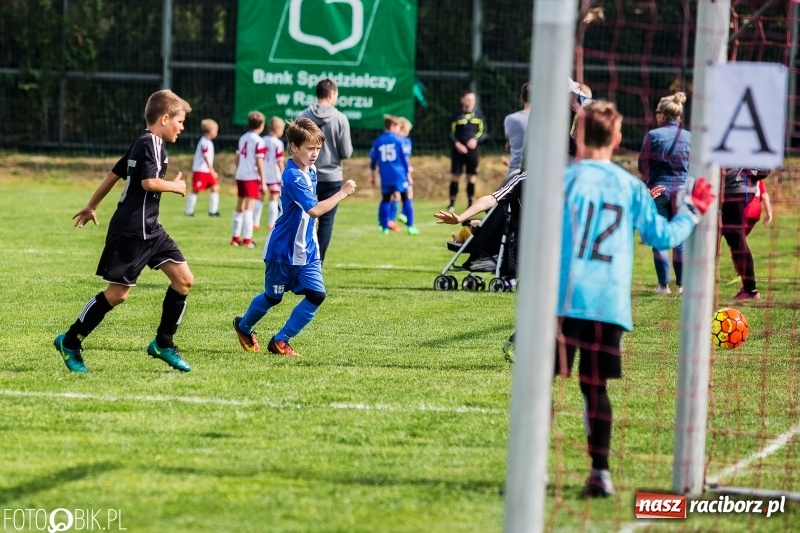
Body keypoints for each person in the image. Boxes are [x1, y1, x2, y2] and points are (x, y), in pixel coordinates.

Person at [557, 100, 712, 497]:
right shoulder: (630, 186)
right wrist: (693, 211)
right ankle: (600, 474)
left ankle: (529, 468)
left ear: (576, 134)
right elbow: (661, 237)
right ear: (618, 138)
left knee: (538, 386)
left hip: (559, 301)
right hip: (606, 305)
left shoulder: (560, 181)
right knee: (595, 389)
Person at [53, 89, 195, 373]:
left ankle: (163, 344)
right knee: (117, 295)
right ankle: (70, 341)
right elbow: (148, 183)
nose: (182, 127)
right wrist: (175, 186)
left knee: (183, 280)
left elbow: (114, 174)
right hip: (132, 230)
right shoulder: (150, 143)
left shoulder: (144, 142)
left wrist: (92, 205)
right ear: (164, 118)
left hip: (151, 229)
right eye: (179, 121)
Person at [232, 118, 357, 357]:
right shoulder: (293, 176)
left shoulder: (310, 171)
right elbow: (314, 210)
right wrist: (342, 192)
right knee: (273, 297)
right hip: (284, 250)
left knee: (317, 295)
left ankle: (280, 340)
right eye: (310, 149)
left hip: (307, 250)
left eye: (318, 149)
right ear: (294, 148)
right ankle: (244, 326)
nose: (314, 154)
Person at [638, 92, 691, 294]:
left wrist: (649, 183)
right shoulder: (689, 138)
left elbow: (643, 164)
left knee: (659, 237)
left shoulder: (653, 136)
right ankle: (682, 285)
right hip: (682, 191)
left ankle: (663, 285)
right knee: (679, 239)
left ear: (662, 115)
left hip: (658, 190)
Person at [298, 79, 353, 263]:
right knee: (326, 222)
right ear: (331, 94)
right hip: (331, 176)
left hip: (306, 174)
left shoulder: (303, 116)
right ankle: (317, 263)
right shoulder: (340, 118)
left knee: (304, 219)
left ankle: (301, 258)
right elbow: (346, 152)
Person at [721, 168, 771, 300]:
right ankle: (749, 288)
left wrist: (752, 172)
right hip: (727, 190)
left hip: (734, 191)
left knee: (736, 239)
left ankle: (750, 289)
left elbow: (765, 167)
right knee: (728, 238)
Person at [370, 115, 418, 236]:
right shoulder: (398, 140)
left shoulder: (378, 141)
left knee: (386, 199)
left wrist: (373, 176)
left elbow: (373, 161)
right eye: (397, 127)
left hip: (385, 175)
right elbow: (405, 159)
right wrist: (408, 175)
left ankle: (385, 227)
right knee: (406, 198)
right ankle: (411, 226)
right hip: (399, 174)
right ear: (392, 126)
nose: (398, 130)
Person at [447, 88, 487, 212]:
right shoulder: (456, 116)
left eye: (472, 100)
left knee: (471, 177)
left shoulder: (479, 115)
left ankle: (470, 202)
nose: (471, 102)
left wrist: (476, 140)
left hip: (472, 151)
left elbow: (484, 132)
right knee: (456, 176)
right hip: (458, 151)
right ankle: (452, 202)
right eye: (468, 99)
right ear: (462, 100)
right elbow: (449, 133)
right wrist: (457, 144)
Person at [232, 111, 267, 248]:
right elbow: (259, 162)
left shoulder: (243, 138)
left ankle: (235, 238)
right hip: (251, 176)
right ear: (261, 125)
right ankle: (247, 240)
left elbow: (237, 158)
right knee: (249, 207)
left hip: (240, 175)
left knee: (240, 206)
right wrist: (263, 181)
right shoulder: (259, 141)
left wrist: (239, 170)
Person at [255, 116, 286, 232]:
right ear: (277, 129)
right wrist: (284, 173)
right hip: (274, 175)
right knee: (273, 198)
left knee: (260, 199)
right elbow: (279, 161)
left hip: (262, 174)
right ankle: (271, 224)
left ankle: (255, 222)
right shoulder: (278, 143)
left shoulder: (262, 140)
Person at [185, 118, 220, 217]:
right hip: (201, 170)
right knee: (195, 190)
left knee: (215, 187)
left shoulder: (208, 142)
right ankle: (188, 211)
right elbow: (205, 156)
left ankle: (213, 211)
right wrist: (212, 170)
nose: (216, 133)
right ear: (211, 131)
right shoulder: (204, 141)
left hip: (206, 170)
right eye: (216, 130)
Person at [503, 82, 531, 176]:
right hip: (537, 173)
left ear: (521, 97)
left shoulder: (510, 119)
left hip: (515, 172)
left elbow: (511, 141)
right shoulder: (543, 120)